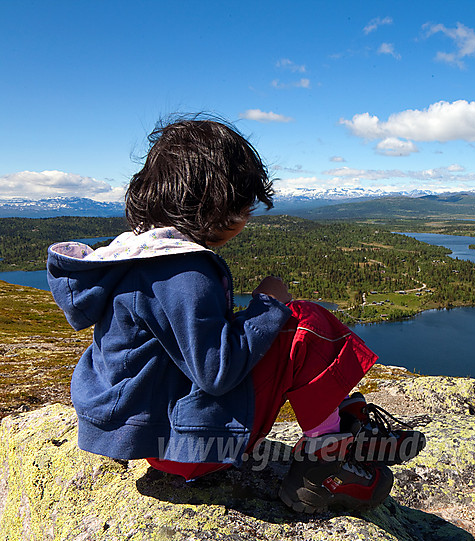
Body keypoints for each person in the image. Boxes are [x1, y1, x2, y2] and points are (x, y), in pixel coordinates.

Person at [46, 117, 424, 513]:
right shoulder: (182, 274)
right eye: (242, 205)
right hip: (192, 449)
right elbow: (217, 371)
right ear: (211, 204)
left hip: (147, 438)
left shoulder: (131, 255)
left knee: (280, 326)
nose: (247, 216)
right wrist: (267, 304)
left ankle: (338, 422)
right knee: (304, 322)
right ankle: (326, 464)